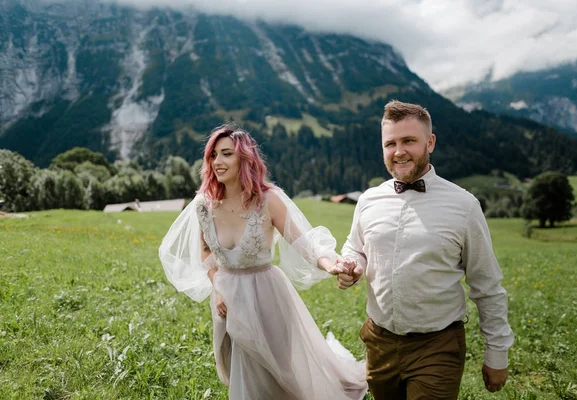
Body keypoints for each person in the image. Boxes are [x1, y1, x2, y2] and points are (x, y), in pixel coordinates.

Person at [159, 124, 368, 400]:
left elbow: (303, 243)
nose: (218, 162)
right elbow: (206, 252)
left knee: (281, 373)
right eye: (213, 156)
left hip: (266, 294)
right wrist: (219, 287)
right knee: (242, 373)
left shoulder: (268, 200)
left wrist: (331, 265)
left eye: (226, 154)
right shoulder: (203, 205)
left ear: (244, 159)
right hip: (227, 299)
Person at [336, 101, 514, 400]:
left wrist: (497, 353)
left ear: (429, 142)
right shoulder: (368, 200)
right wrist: (351, 265)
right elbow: (355, 247)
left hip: (437, 346)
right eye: (390, 143)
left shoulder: (463, 206)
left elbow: (487, 284)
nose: (399, 151)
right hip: (378, 342)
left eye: (409, 141)